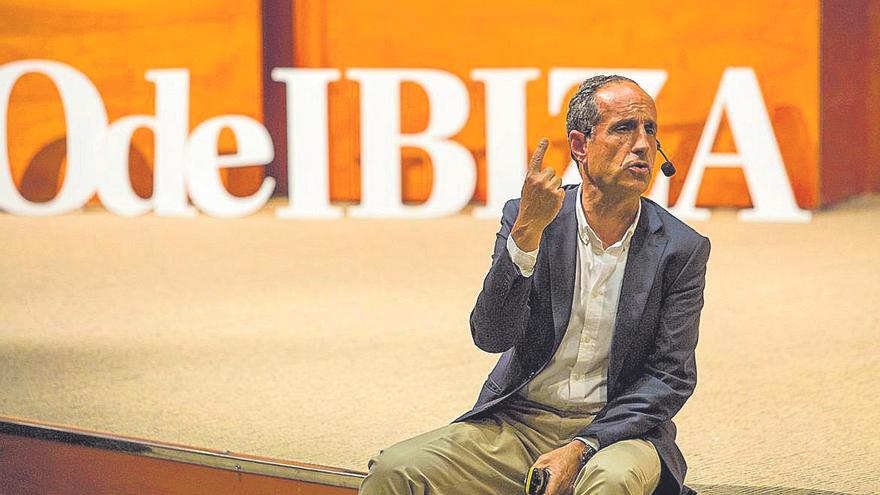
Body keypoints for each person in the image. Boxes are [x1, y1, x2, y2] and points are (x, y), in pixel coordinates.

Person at [359, 75, 711, 495]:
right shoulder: (532, 218)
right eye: (623, 128)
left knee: (609, 481)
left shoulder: (681, 248)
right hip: (519, 421)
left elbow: (670, 376)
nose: (642, 144)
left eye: (650, 129)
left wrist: (582, 445)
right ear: (580, 146)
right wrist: (526, 232)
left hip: (617, 433)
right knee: (397, 470)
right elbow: (490, 335)